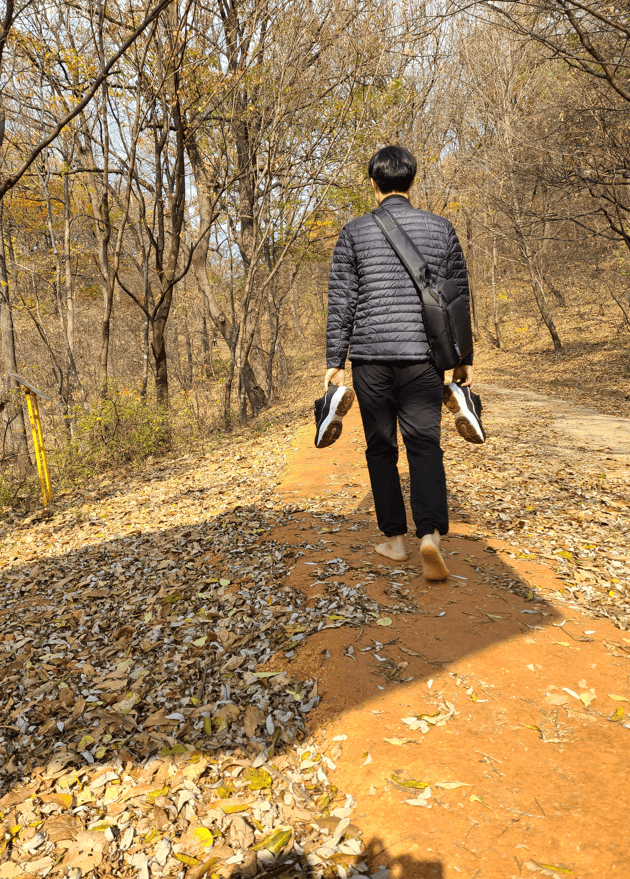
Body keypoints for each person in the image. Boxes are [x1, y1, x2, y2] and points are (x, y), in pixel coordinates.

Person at [324, 145, 474, 580]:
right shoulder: (441, 229)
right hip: (423, 357)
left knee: (381, 446)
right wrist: (463, 358)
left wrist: (335, 359)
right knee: (425, 444)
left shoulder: (354, 232)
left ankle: (394, 540)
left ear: (374, 183)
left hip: (370, 359)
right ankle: (430, 535)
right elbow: (458, 297)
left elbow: (342, 301)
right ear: (412, 181)